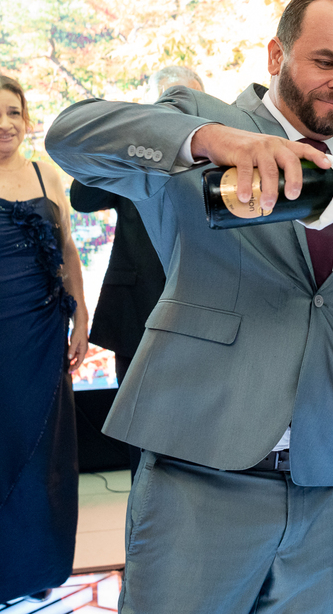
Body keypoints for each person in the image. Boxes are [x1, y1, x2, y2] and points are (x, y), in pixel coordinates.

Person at [45, 0, 333, 614]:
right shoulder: (201, 121)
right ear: (277, 55)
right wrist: (217, 141)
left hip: (324, 482)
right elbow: (69, 135)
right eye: (326, 62)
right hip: (199, 467)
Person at [0, 73, 88, 607]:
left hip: (42, 335)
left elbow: (68, 249)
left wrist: (80, 316)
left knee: (41, 458)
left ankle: (36, 568)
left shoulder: (44, 173)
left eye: (14, 111)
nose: (4, 123)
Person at [69, 66, 206, 476]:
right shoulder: (135, 153)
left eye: (189, 101)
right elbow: (81, 198)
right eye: (169, 102)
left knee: (199, 432)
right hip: (136, 315)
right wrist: (134, 140)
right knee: (140, 435)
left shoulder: (220, 152)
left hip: (205, 314)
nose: (179, 111)